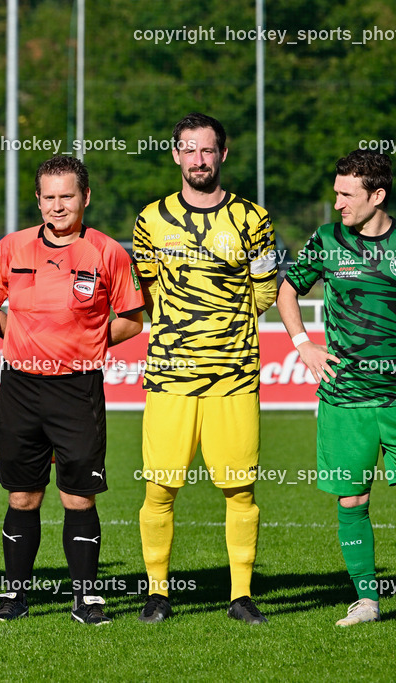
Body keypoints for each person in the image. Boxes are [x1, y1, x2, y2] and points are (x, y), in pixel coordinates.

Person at [278, 149, 396, 628]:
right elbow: (289, 289)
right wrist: (303, 345)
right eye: (335, 192)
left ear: (377, 195)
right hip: (343, 398)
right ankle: (368, 601)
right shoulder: (327, 240)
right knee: (352, 499)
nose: (336, 204)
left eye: (345, 194)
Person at [0, 156, 144, 624]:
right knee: (22, 496)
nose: (57, 206)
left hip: (77, 388)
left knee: (79, 496)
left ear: (85, 197)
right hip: (20, 387)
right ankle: (14, 598)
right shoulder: (11, 248)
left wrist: (88, 343)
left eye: (66, 196)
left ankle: (86, 598)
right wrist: (17, 336)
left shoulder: (109, 252)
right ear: (38, 200)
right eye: (48, 197)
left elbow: (132, 318)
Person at [132, 112, 277, 625]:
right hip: (171, 375)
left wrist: (223, 330)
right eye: (188, 150)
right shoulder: (150, 219)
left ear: (223, 154)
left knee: (239, 489)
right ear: (175, 155)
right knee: (159, 487)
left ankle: (240, 596)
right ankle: (158, 593)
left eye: (207, 150)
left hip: (234, 376)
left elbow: (264, 292)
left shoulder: (253, 219)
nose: (198, 159)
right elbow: (146, 292)